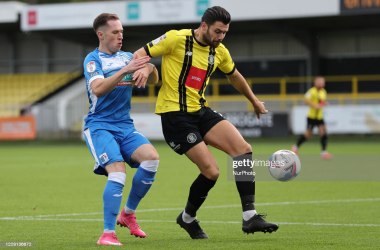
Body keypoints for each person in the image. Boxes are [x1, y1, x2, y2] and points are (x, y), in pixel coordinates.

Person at [133, 6, 278, 239]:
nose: (221, 37)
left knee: (243, 150)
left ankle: (250, 216)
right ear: (203, 26)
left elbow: (234, 75)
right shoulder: (175, 38)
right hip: (175, 115)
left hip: (200, 111)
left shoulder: (219, 51)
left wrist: (254, 100)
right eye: (218, 31)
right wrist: (145, 68)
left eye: (225, 33)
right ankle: (188, 218)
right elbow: (139, 53)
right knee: (211, 172)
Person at [83, 13, 160, 246]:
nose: (121, 36)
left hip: (124, 125)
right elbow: (98, 89)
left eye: (122, 32)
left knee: (151, 159)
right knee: (117, 173)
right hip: (99, 126)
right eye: (115, 32)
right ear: (101, 35)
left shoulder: (128, 56)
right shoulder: (93, 60)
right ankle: (107, 234)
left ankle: (127, 214)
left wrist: (148, 70)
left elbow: (155, 76)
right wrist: (125, 69)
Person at [291, 76, 332, 159]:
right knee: (307, 135)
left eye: (322, 82)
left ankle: (324, 152)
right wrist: (315, 105)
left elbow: (321, 101)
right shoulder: (311, 91)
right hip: (311, 117)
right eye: (319, 82)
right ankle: (296, 147)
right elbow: (305, 101)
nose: (321, 84)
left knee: (324, 133)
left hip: (319, 117)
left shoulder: (324, 92)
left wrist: (324, 103)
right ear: (315, 83)